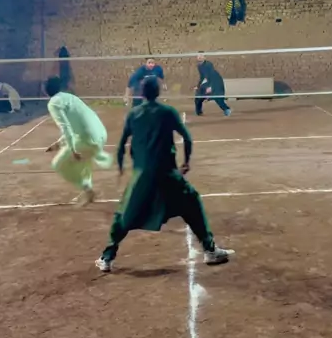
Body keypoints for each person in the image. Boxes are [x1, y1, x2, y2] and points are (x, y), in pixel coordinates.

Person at [95, 75, 232, 273]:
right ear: (158, 92)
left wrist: (121, 168)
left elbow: (122, 146)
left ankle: (107, 257)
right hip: (167, 173)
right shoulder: (167, 112)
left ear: (141, 93)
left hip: (142, 175)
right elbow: (187, 138)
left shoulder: (133, 114)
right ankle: (210, 250)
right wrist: (186, 162)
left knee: (124, 215)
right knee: (192, 204)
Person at [45, 76, 112, 205]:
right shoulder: (70, 97)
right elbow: (77, 123)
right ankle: (87, 190)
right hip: (100, 134)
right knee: (85, 162)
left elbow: (66, 127)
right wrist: (59, 143)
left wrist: (72, 150)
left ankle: (86, 188)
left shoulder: (53, 103)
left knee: (58, 164)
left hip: (87, 139)